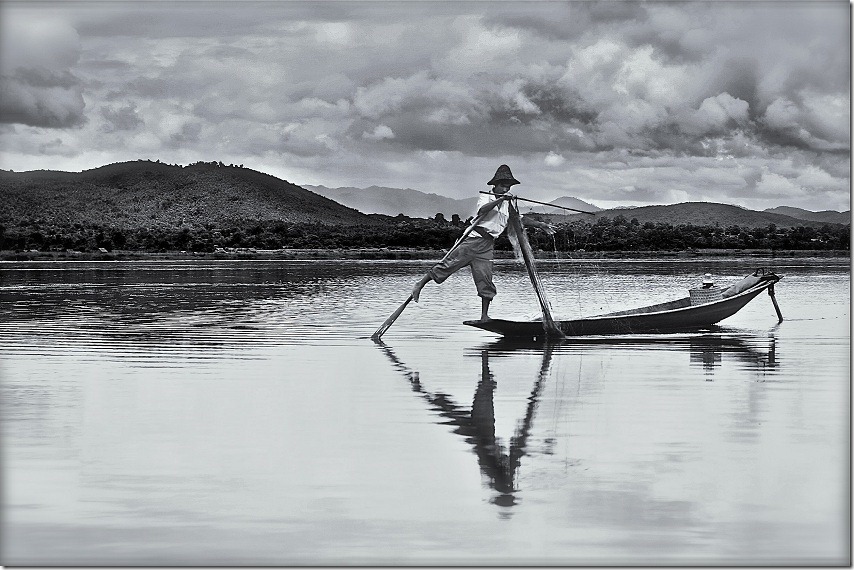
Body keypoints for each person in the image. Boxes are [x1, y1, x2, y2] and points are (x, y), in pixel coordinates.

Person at [411, 164, 555, 323]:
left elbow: (519, 220)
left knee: (485, 280)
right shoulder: (486, 196)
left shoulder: (509, 203)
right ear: (496, 185)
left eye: (508, 187)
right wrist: (500, 199)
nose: (506, 190)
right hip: (472, 240)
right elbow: (482, 211)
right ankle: (419, 284)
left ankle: (484, 316)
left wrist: (541, 225)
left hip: (487, 245)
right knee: (447, 266)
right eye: (503, 187)